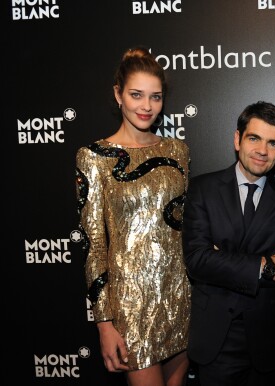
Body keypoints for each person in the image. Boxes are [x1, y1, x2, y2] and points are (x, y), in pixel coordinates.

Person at [75, 46, 191, 386]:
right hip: (129, 307)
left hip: (180, 296)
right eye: (136, 95)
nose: (146, 106)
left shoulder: (178, 151)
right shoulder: (94, 157)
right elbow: (95, 246)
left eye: (155, 97)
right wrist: (104, 323)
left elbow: (185, 227)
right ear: (118, 94)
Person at [182, 101, 275, 386]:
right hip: (217, 338)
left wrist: (223, 257)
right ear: (237, 139)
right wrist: (266, 264)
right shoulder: (203, 189)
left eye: (273, 143)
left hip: (270, 338)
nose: (263, 151)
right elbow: (198, 261)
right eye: (254, 138)